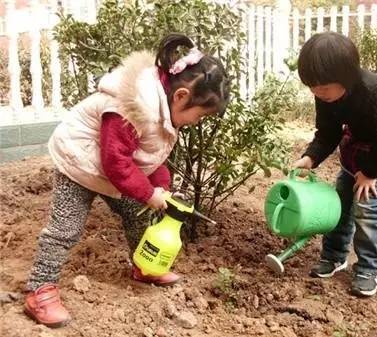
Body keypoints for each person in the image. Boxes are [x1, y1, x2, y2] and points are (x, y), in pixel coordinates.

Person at [24, 33, 230, 327]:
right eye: (198, 116)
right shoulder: (134, 106)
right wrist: (148, 193)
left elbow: (150, 153)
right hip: (79, 162)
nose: (195, 122)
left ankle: (144, 267)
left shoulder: (163, 105)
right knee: (65, 228)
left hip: (110, 168)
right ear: (182, 96)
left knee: (138, 216)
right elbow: (116, 162)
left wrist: (160, 186)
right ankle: (39, 289)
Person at [293, 32, 377, 297]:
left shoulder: (375, 91)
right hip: (361, 139)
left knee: (367, 206)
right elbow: (328, 132)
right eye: (312, 87)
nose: (317, 93)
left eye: (323, 88)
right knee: (341, 201)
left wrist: (370, 173)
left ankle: (371, 268)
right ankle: (335, 256)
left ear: (346, 78)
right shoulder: (325, 94)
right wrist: (311, 157)